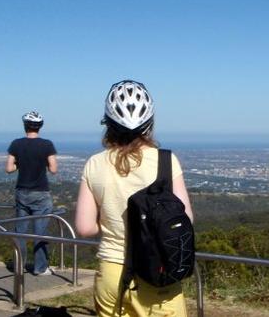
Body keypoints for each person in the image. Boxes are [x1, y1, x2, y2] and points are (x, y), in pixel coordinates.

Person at [75, 80, 193, 317]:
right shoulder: (166, 161)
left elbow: (85, 228)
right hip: (157, 273)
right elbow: (186, 218)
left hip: (111, 275)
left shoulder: (94, 164)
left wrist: (110, 220)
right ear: (149, 124)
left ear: (108, 124)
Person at [6, 111, 58, 275]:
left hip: (22, 192)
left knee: (20, 231)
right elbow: (54, 169)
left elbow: (9, 168)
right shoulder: (47, 145)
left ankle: (19, 266)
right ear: (40, 126)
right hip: (41, 193)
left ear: (25, 126)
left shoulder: (16, 144)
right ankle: (40, 268)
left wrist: (20, 165)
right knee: (40, 232)